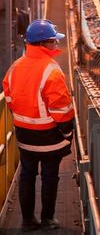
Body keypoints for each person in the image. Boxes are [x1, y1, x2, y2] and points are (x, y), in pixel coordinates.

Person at [2, 19, 74, 231]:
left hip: (24, 135)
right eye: (54, 41)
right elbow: (61, 109)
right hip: (49, 137)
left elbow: (8, 98)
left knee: (27, 174)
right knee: (50, 176)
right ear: (44, 44)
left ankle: (27, 220)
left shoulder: (15, 67)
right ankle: (48, 218)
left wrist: (23, 117)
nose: (56, 45)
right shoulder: (51, 70)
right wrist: (67, 132)